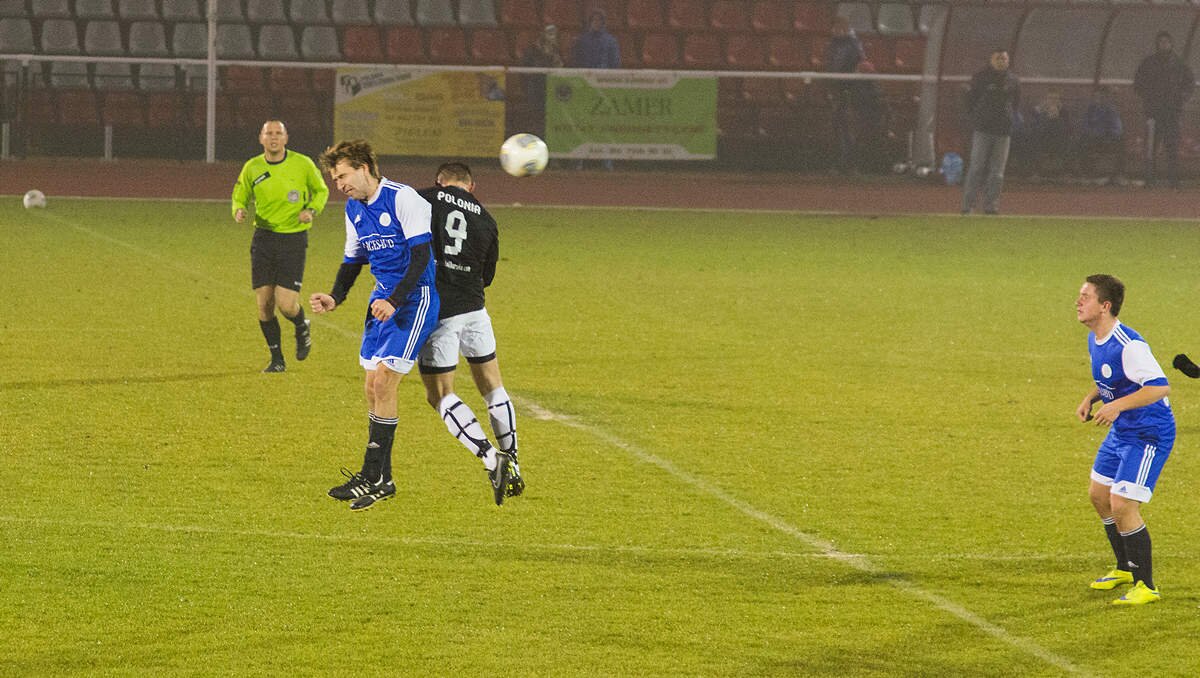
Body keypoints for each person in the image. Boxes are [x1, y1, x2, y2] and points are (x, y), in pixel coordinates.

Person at [309, 141, 514, 512]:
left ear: (364, 168)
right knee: (372, 385)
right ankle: (377, 476)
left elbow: (421, 257)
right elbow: (352, 260)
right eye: (335, 178)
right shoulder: (354, 209)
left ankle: (376, 477)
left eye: (342, 176)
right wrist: (335, 297)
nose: (338, 184)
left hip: (415, 299)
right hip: (383, 300)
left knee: (385, 381)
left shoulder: (403, 198)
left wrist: (395, 300)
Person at [416, 162, 524, 503]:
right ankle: (513, 461)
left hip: (441, 309)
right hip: (476, 310)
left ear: (439, 182)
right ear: (471, 186)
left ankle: (491, 458)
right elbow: (487, 276)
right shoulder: (486, 219)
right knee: (493, 386)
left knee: (440, 394)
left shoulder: (424, 199)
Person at [1074, 274, 1174, 605]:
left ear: (1105, 306)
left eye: (1085, 296)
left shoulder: (1129, 344)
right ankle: (1124, 568)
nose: (1078, 301)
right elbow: (1115, 380)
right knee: (1099, 495)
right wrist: (1092, 398)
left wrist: (1116, 406)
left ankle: (1146, 586)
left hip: (1148, 432)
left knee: (1123, 504)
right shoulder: (1095, 338)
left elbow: (1159, 386)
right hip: (1123, 430)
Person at [231, 120, 329, 373]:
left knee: (286, 305)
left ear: (286, 138)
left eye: (278, 133)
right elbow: (240, 194)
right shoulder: (252, 167)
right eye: (269, 133)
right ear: (261, 138)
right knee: (264, 305)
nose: (273, 137)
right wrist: (239, 209)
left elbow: (321, 191)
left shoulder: (303, 163)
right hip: (264, 238)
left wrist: (311, 210)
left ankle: (301, 326)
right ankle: (277, 360)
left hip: (293, 239)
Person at [960, 49, 1019, 215]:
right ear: (991, 60)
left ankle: (991, 206)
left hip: (1003, 131)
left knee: (997, 172)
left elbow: (1015, 103)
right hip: (983, 130)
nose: (1001, 61)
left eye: (1004, 58)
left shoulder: (1013, 80)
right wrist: (976, 119)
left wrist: (1009, 119)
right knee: (976, 168)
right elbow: (970, 100)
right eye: (998, 58)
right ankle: (968, 206)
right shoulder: (981, 77)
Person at [1134, 31, 1193, 189]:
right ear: (1157, 44)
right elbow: (1138, 84)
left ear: (1171, 44)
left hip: (1172, 113)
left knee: (1172, 147)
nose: (1164, 45)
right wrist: (1148, 97)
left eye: (1166, 42)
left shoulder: (1179, 64)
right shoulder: (1148, 63)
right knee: (1151, 147)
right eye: (1161, 42)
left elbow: (1190, 84)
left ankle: (1174, 181)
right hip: (1153, 113)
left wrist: (1181, 98)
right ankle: (1149, 180)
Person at [572, 9, 620, 171]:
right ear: (590, 22)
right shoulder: (582, 40)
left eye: (600, 20)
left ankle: (607, 160)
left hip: (604, 88)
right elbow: (576, 61)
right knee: (582, 123)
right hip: (584, 87)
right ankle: (579, 159)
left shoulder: (611, 41)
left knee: (605, 124)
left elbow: (615, 64)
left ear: (604, 23)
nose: (596, 23)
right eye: (594, 20)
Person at [825, 16, 864, 174]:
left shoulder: (853, 44)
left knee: (848, 127)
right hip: (837, 90)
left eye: (839, 27)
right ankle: (840, 163)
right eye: (835, 27)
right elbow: (831, 65)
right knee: (838, 126)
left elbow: (855, 64)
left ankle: (849, 163)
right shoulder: (833, 45)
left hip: (849, 90)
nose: (836, 30)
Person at [1072, 86, 1125, 185]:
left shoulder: (1111, 110)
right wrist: (1091, 132)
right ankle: (1086, 175)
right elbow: (1084, 125)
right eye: (1097, 97)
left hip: (1106, 140)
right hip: (1092, 139)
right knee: (1081, 142)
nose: (1099, 99)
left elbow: (1117, 129)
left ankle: (1118, 175)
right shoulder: (1090, 109)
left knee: (1121, 142)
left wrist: (1106, 134)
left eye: (1102, 97)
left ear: (1106, 97)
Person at [519, 24, 564, 137]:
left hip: (551, 86)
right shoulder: (532, 50)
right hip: (535, 86)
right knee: (536, 114)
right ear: (543, 34)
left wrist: (557, 61)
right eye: (549, 33)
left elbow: (560, 67)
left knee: (550, 114)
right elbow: (524, 69)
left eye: (553, 33)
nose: (551, 36)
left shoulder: (556, 51)